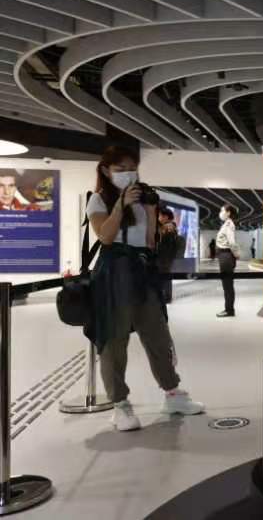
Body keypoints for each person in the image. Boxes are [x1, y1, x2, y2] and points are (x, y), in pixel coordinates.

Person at [86, 146, 204, 432]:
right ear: (106, 171)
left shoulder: (143, 199)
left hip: (143, 270)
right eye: (121, 169)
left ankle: (172, 394)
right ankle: (120, 405)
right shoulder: (98, 200)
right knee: (115, 340)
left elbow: (149, 242)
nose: (128, 174)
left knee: (158, 335)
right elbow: (105, 237)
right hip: (114, 272)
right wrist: (120, 205)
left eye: (132, 168)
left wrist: (151, 211)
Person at [216, 203, 239, 318]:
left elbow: (232, 242)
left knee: (227, 285)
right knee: (227, 284)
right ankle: (229, 309)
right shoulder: (226, 224)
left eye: (222, 210)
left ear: (228, 212)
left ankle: (229, 310)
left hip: (226, 256)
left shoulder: (229, 225)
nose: (220, 213)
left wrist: (236, 254)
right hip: (224, 255)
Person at [156, 207, 178, 303]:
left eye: (160, 215)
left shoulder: (168, 227)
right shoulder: (170, 226)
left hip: (164, 257)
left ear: (166, 217)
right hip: (166, 257)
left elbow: (163, 243)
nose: (159, 217)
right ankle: (166, 296)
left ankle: (166, 297)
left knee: (164, 276)